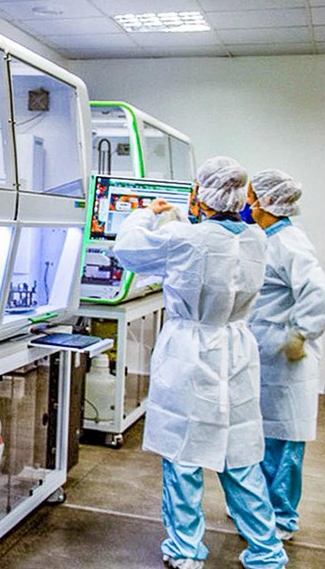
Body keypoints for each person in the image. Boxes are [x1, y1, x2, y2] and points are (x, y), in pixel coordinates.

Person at [113, 157, 287, 569]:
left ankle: (186, 550)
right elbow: (216, 247)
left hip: (189, 353)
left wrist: (147, 213)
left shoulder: (185, 238)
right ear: (240, 196)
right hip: (237, 350)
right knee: (240, 457)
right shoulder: (256, 238)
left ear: (199, 194)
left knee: (183, 456)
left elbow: (128, 249)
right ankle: (266, 550)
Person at [246, 170, 325, 542]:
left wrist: (301, 334)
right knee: (264, 438)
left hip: (287, 359)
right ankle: (259, 510)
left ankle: (281, 517)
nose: (246, 203)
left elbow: (319, 293)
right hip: (267, 354)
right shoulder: (265, 238)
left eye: (251, 197)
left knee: (283, 443)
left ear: (267, 202)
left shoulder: (289, 243)